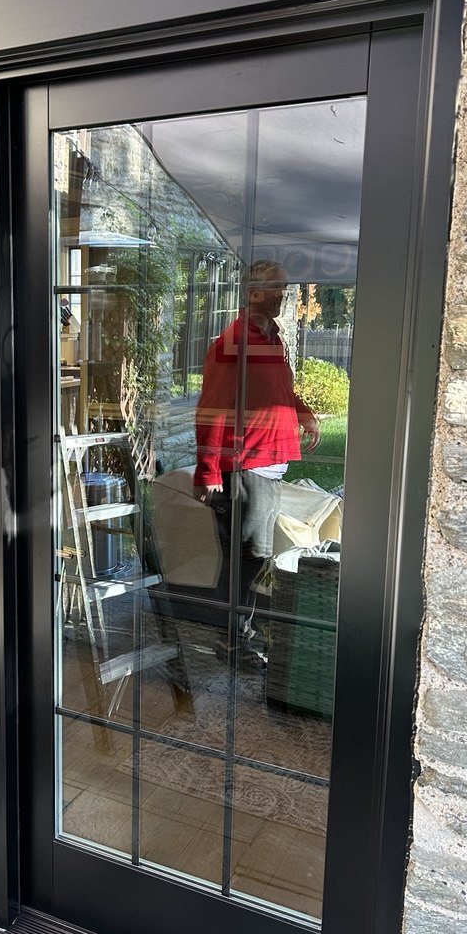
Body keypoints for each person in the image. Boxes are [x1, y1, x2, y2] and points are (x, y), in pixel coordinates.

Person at [193, 260, 320, 661]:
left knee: (253, 557)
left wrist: (302, 412)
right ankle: (231, 640)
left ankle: (237, 634)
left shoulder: (272, 338)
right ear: (252, 292)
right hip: (244, 466)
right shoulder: (233, 342)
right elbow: (212, 409)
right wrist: (208, 471)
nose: (284, 294)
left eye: (285, 287)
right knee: (247, 558)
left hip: (268, 463)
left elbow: (275, 389)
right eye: (276, 287)